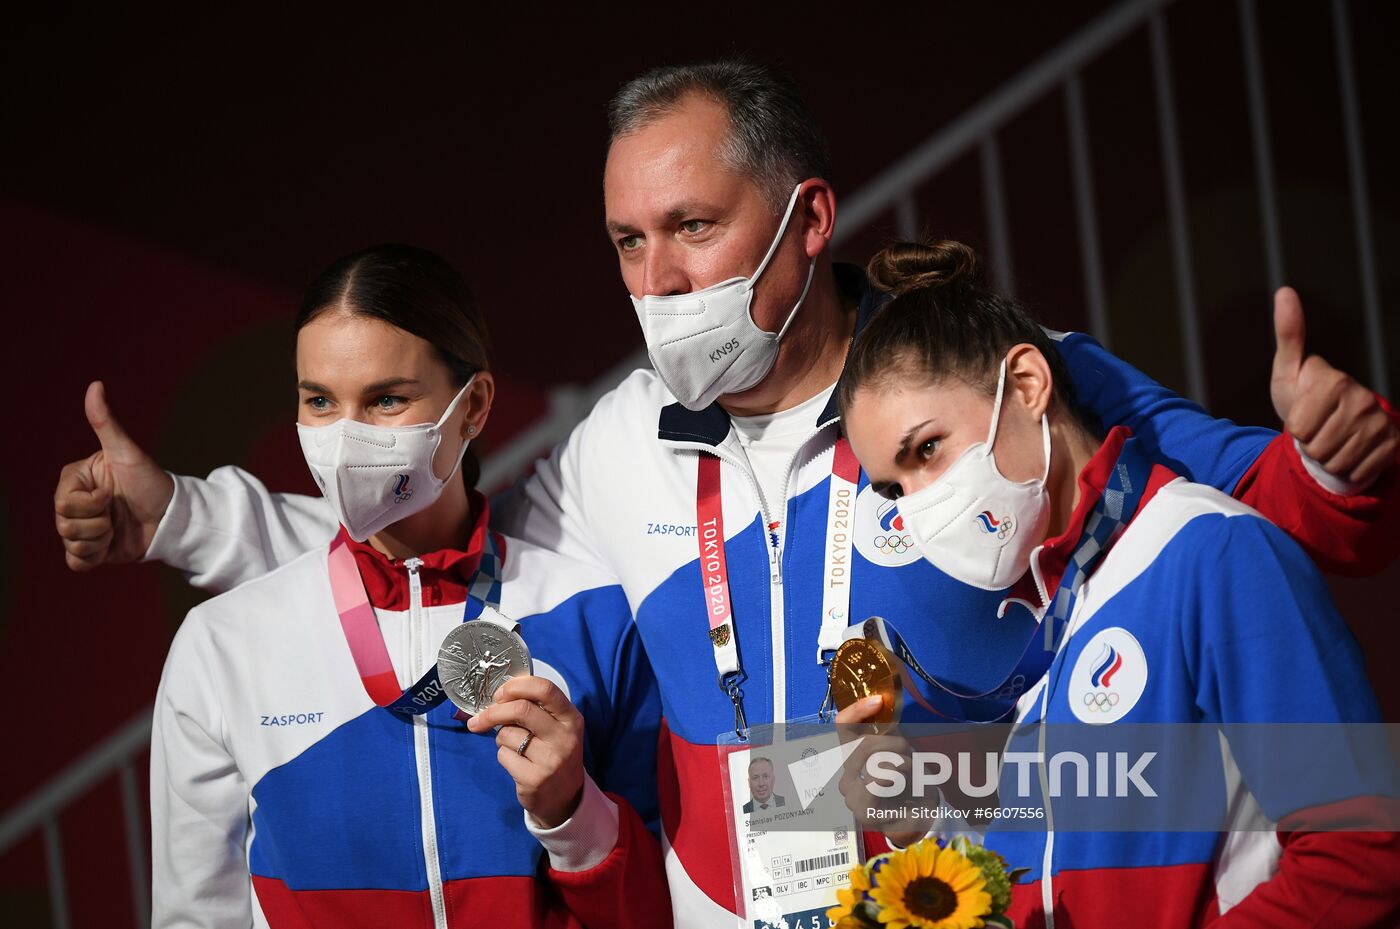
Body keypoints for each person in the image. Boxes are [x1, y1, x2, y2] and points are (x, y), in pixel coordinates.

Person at [54, 61, 1400, 928]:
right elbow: (458, 565)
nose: (661, 281)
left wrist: (1331, 456)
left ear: (811, 220)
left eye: (696, 229)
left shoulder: (967, 378)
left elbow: (1254, 513)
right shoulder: (614, 444)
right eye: (630, 243)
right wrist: (193, 519)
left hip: (966, 894)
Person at [835, 240, 1400, 927]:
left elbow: (1361, 849)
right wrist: (914, 826)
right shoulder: (1051, 630)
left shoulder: (1211, 550)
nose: (920, 503)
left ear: (1027, 385)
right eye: (896, 486)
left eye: (928, 448)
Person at [147, 244, 669, 928]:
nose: (345, 437)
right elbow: (194, 917)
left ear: (474, 404)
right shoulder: (222, 647)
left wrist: (572, 812)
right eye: (320, 401)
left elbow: (657, 910)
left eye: (386, 398)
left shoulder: (592, 614)